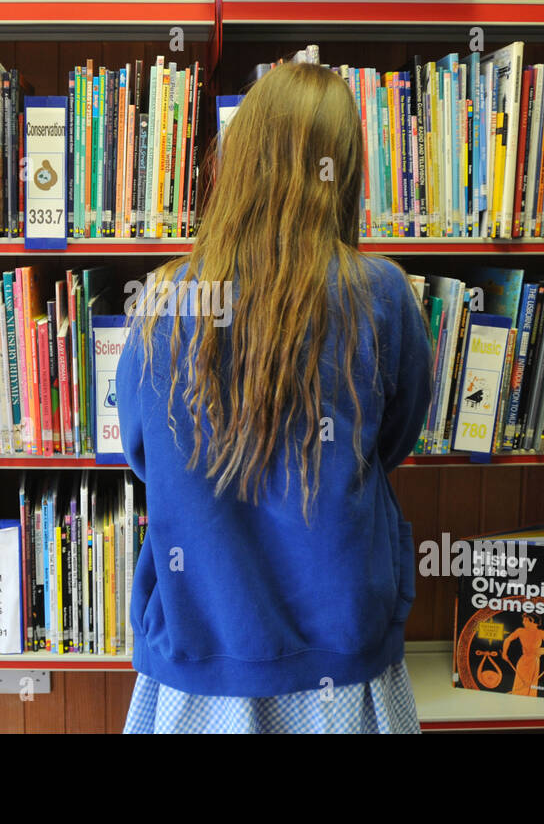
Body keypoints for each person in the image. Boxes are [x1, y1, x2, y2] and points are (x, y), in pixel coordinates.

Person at [117, 62, 433, 734]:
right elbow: (396, 439)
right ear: (343, 168)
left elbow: (144, 455)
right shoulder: (382, 294)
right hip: (341, 656)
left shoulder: (168, 300)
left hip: (202, 654)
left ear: (240, 159)